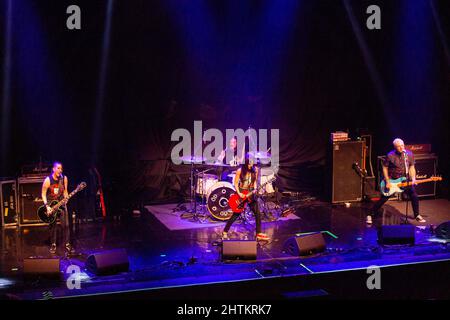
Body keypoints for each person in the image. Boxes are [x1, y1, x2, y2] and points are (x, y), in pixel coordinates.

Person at [367, 138, 426, 224]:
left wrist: (413, 179)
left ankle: (417, 215)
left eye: (402, 145)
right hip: (392, 180)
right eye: (398, 146)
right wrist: (387, 181)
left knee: (414, 195)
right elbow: (384, 167)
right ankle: (371, 213)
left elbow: (412, 167)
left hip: (405, 180)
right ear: (395, 147)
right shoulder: (390, 155)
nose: (401, 148)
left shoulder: (409, 154)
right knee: (384, 198)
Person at [222, 154, 270, 241]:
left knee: (257, 213)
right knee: (236, 214)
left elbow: (254, 182)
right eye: (249, 164)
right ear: (245, 163)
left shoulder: (255, 170)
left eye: (252, 164)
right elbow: (236, 183)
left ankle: (258, 233)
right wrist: (239, 193)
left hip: (251, 193)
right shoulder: (240, 170)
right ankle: (225, 231)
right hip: (241, 192)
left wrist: (255, 188)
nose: (250, 165)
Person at [41, 162, 75, 254]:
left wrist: (66, 198)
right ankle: (53, 244)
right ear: (54, 169)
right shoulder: (48, 180)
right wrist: (47, 206)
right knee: (53, 226)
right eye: (58, 168)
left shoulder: (64, 178)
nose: (60, 170)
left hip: (61, 204)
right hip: (51, 205)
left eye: (61, 169)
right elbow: (43, 194)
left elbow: (65, 191)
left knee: (66, 225)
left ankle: (68, 244)